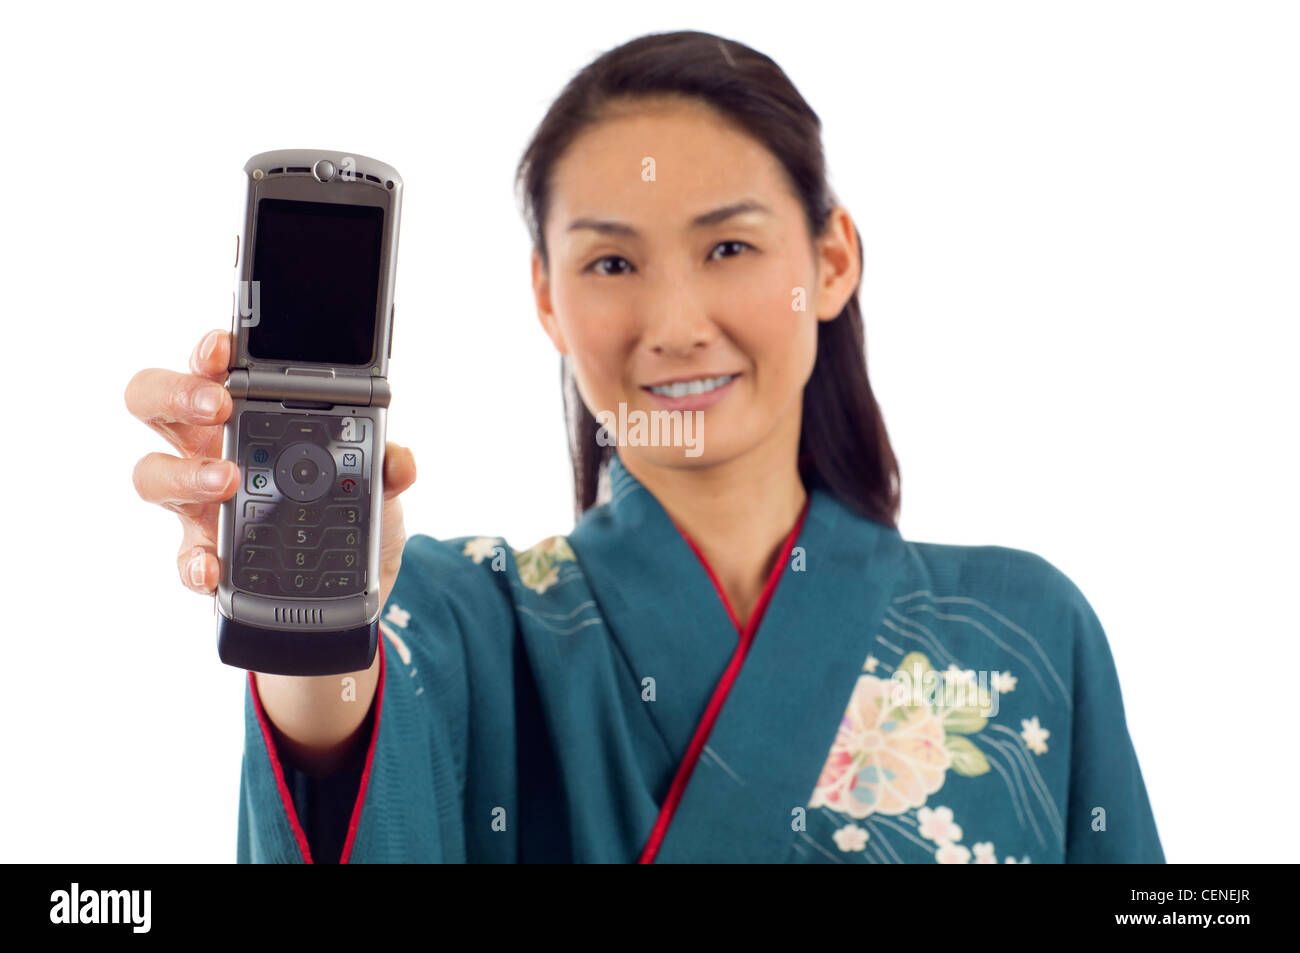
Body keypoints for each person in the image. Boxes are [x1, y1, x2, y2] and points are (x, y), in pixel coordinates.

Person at [125, 30, 1164, 864]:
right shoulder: (458, 607)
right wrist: (309, 612)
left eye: (727, 247)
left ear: (832, 258)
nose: (673, 322)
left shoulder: (1029, 628)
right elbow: (337, 744)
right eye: (612, 261)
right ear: (546, 296)